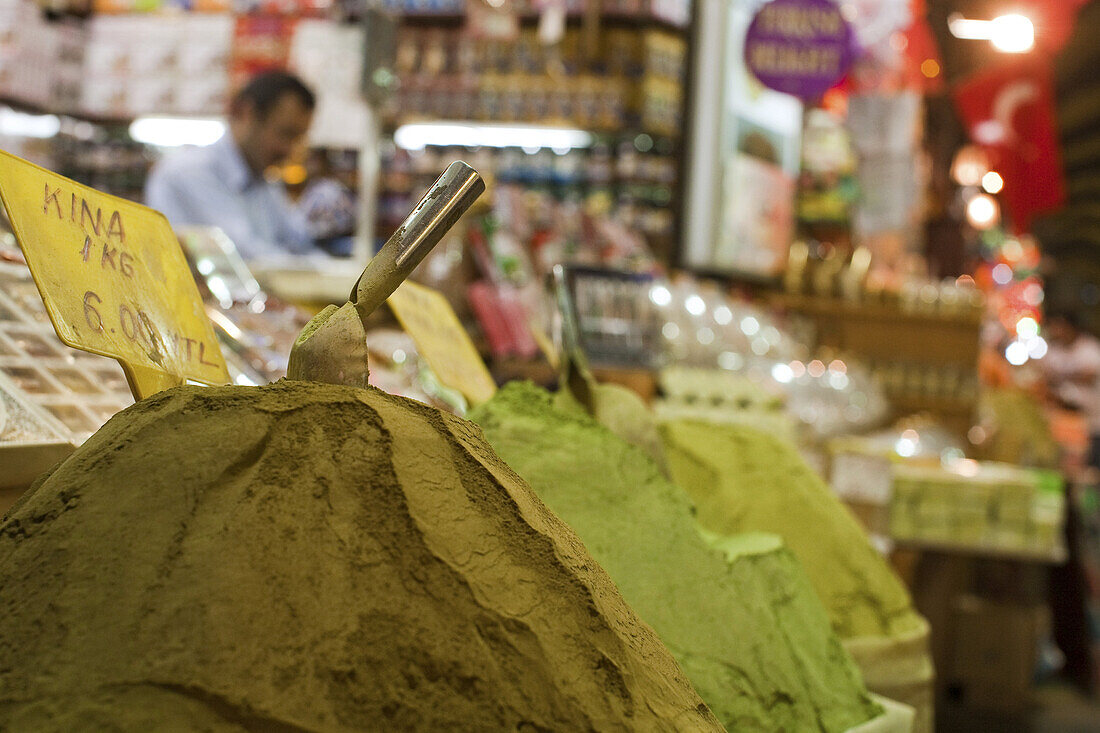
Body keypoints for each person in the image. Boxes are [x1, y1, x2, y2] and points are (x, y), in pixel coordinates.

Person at [145, 71, 317, 261]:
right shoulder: (189, 172)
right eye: (285, 134)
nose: (289, 150)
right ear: (246, 113)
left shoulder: (263, 181)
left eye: (298, 138)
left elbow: (299, 242)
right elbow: (240, 255)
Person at [1043, 311, 1100, 472]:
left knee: (1089, 471)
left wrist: (1060, 375)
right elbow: (1045, 378)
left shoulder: (1089, 348)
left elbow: (1089, 374)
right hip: (1062, 420)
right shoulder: (1054, 351)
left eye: (1059, 326)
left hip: (1090, 422)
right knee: (1061, 468)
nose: (1056, 330)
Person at [297, 148, 357, 257]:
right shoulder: (320, 186)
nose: (306, 165)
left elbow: (303, 219)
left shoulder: (326, 189)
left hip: (327, 245)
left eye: (310, 161)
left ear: (320, 163)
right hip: (321, 243)